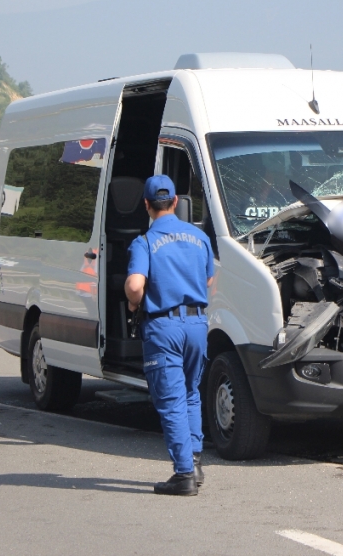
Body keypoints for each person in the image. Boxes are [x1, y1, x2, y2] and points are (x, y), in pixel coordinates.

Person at [125, 175, 214, 496]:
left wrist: (133, 301)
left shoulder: (145, 242)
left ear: (147, 205)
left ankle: (183, 474)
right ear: (176, 201)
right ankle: (194, 459)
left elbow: (136, 285)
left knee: (171, 401)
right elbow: (209, 283)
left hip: (164, 328)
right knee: (191, 393)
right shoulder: (199, 237)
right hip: (196, 325)